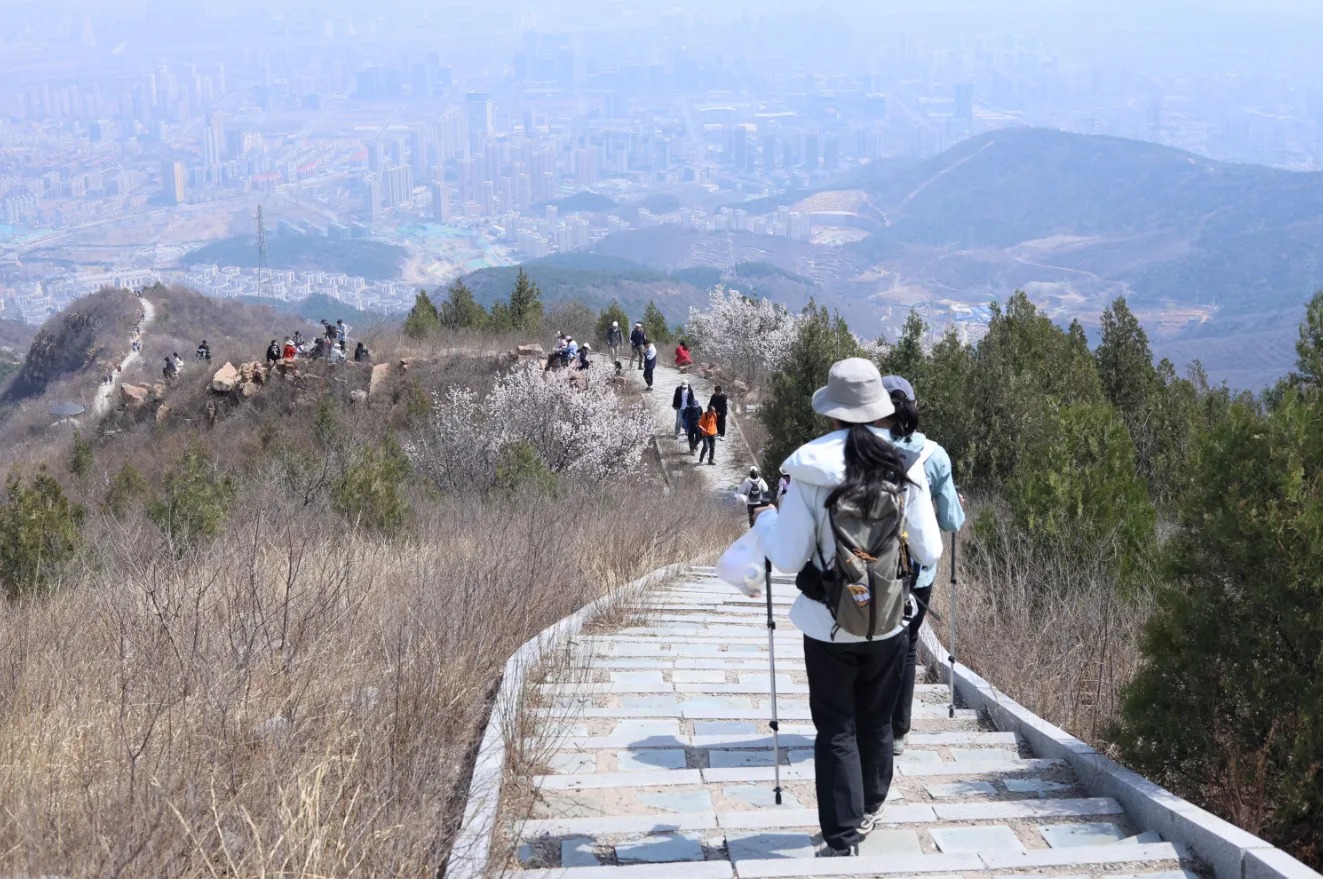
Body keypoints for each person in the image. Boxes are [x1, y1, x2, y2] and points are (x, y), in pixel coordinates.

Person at [751, 358, 942, 858]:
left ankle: (841, 835)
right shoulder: (905, 466)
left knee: (836, 725)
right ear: (879, 409)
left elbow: (787, 556)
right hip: (890, 621)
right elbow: (930, 550)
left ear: (832, 412)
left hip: (827, 622)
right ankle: (871, 804)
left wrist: (766, 521)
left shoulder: (809, 469)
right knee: (876, 721)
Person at [878, 375, 966, 756]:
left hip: (870, 564)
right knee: (908, 644)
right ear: (913, 406)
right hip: (917, 570)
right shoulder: (935, 455)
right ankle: (898, 731)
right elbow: (950, 520)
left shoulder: (861, 446)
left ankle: (868, 725)